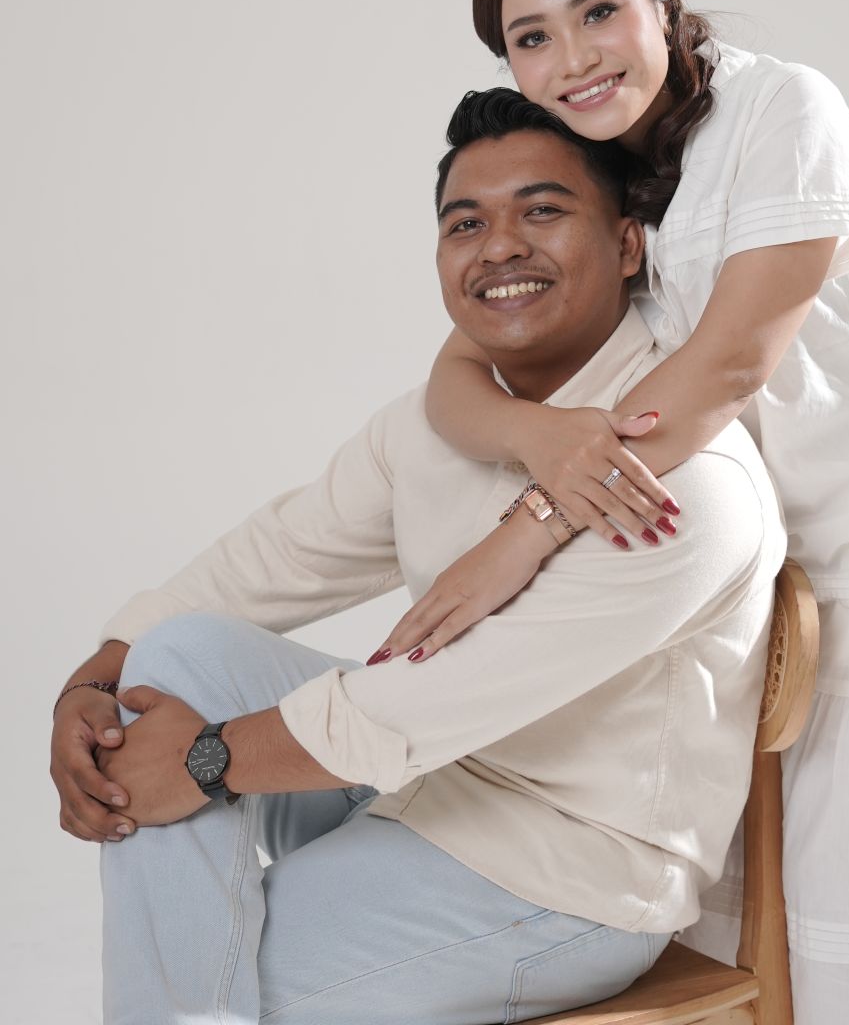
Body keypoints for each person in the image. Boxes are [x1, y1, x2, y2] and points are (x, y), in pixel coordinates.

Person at [371, 0, 849, 1024]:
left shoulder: (783, 110)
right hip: (728, 545)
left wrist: (525, 531)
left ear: (663, 0)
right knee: (729, 875)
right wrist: (539, 435)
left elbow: (730, 363)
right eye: (531, 37)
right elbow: (457, 374)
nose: (573, 60)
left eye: (598, 12)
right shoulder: (592, 158)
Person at [50, 88, 786, 1025]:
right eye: (465, 223)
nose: (499, 247)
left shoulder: (685, 488)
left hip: (566, 879)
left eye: (542, 211)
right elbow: (278, 554)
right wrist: (94, 682)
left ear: (628, 244)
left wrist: (200, 760)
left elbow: (434, 700)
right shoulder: (437, 425)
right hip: (424, 784)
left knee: (218, 975)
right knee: (173, 657)